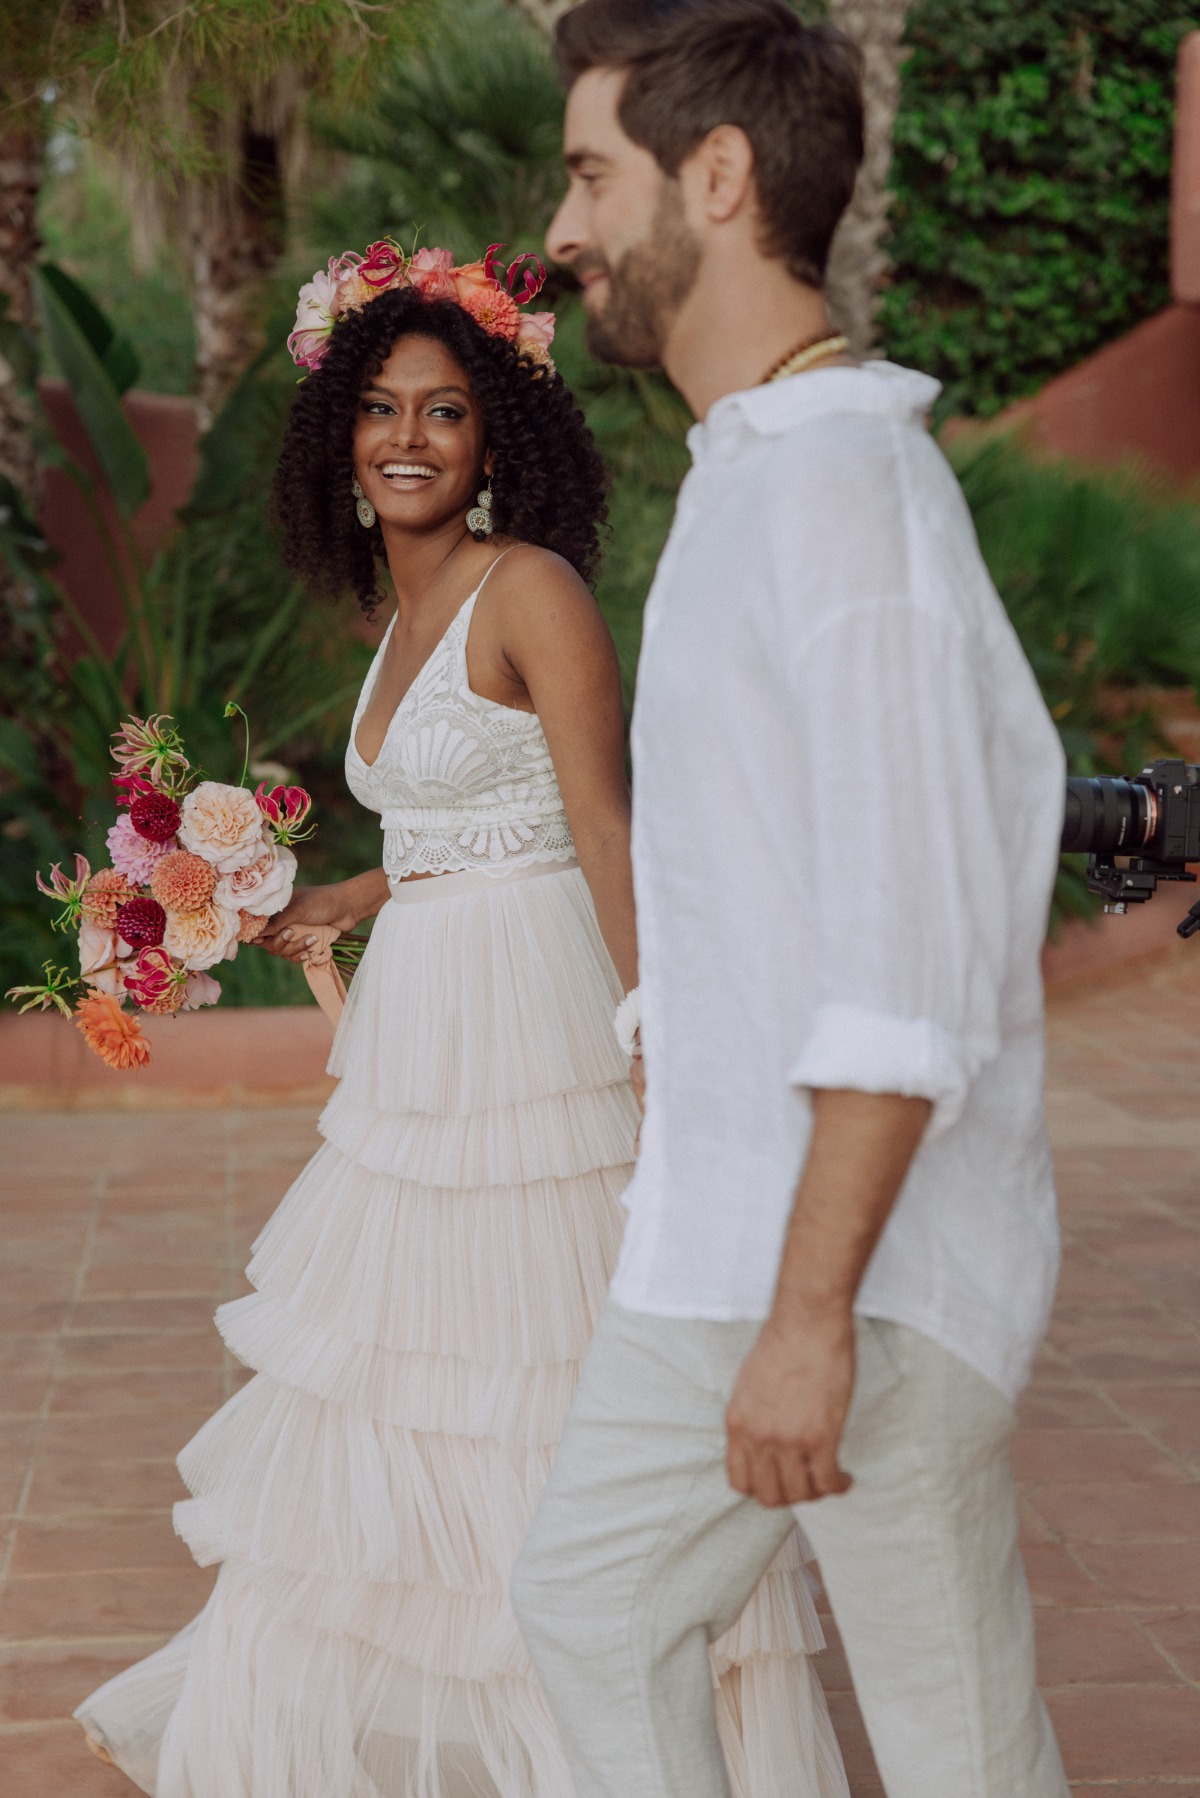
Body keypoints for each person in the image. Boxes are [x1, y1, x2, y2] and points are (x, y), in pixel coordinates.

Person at [74, 242, 849, 1797]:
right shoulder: (399, 613)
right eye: (379, 410)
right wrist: (353, 898)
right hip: (424, 1017)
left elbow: (603, 825)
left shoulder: (531, 587)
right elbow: (461, 809)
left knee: (542, 1375)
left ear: (498, 436)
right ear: (340, 442)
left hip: (537, 1021)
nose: (409, 438)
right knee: (409, 1378)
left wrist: (652, 1033)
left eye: (443, 410)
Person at [511, 5, 1073, 1797]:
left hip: (854, 1273)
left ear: (722, 176)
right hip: (748, 1243)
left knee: (932, 1730)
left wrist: (812, 1322)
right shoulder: (763, 476)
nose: (565, 228)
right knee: (611, 1612)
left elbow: (904, 964)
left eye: (594, 171)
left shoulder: (844, 497)